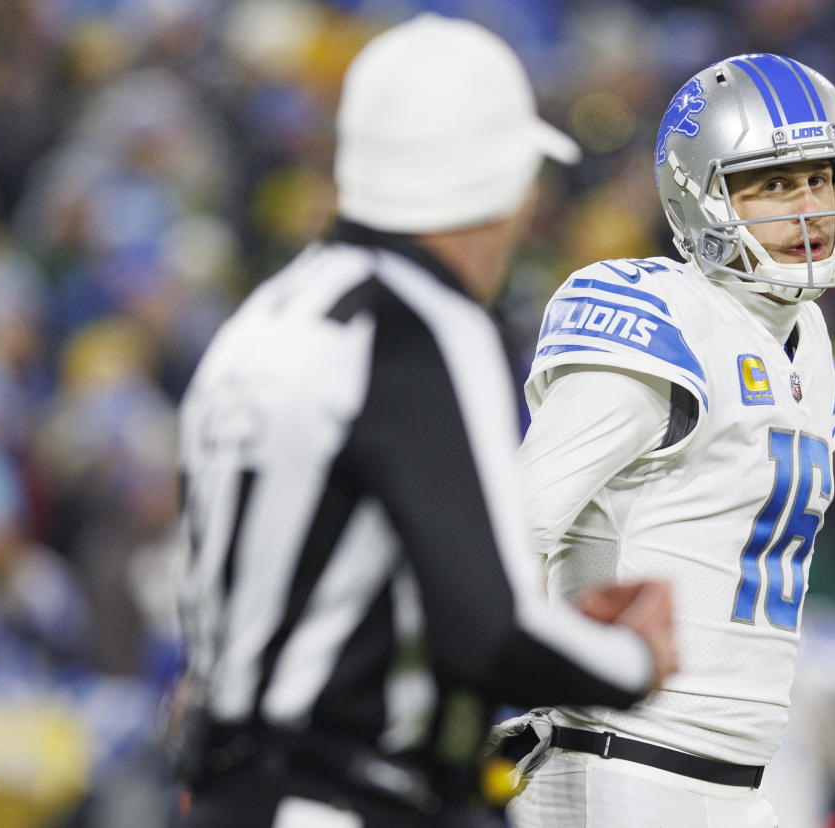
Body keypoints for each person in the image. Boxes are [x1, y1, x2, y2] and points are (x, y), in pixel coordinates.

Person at [172, 15, 677, 828]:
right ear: (501, 178)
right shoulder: (427, 326)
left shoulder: (263, 318)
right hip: (343, 796)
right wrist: (631, 658)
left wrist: (554, 630)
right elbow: (490, 635)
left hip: (231, 794)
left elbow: (319, 597)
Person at [498, 53, 835, 828]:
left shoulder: (804, 336)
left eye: (822, 177)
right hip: (620, 769)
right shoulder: (667, 318)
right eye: (772, 183)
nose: (809, 208)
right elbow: (512, 523)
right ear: (700, 195)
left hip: (741, 782)